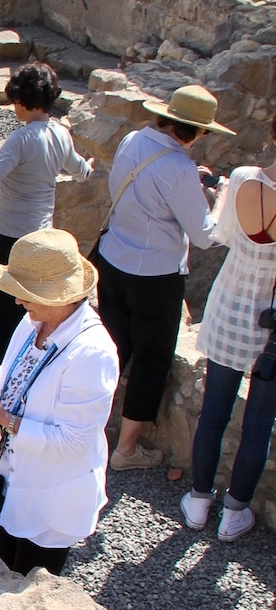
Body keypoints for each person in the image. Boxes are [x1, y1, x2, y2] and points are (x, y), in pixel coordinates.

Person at [0, 228, 120, 577]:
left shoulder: (94, 354)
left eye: (26, 294)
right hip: (12, 476)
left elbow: (72, 443)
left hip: (50, 498)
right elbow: (17, 377)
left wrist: (4, 418)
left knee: (28, 583)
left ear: (59, 296)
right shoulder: (32, 320)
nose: (17, 302)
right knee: (4, 565)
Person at [93, 83, 232, 472]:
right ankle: (126, 449)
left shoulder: (134, 141)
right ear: (196, 131)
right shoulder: (180, 169)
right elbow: (205, 235)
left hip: (114, 258)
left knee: (112, 350)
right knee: (152, 360)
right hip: (155, 275)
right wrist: (218, 197)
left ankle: (89, 426)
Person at [0, 61, 93, 363]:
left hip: (9, 233)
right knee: (31, 304)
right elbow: (80, 171)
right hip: (40, 232)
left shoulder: (22, 139)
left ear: (22, 99)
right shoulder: (60, 135)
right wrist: (90, 167)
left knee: (2, 304)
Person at [179, 113, 276, 543]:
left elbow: (219, 233)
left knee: (214, 411)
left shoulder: (241, 177)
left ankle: (200, 502)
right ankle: (233, 513)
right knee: (259, 422)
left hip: (230, 302)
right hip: (270, 318)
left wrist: (218, 195)